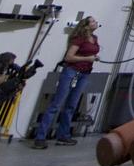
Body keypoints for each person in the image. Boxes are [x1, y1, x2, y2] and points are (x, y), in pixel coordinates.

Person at [31, 16, 100, 148]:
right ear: (86, 25)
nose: (96, 23)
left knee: (71, 106)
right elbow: (69, 57)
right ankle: (40, 137)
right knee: (56, 104)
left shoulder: (95, 39)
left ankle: (63, 135)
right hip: (71, 72)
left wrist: (93, 58)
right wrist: (87, 58)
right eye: (93, 21)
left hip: (84, 74)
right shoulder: (79, 39)